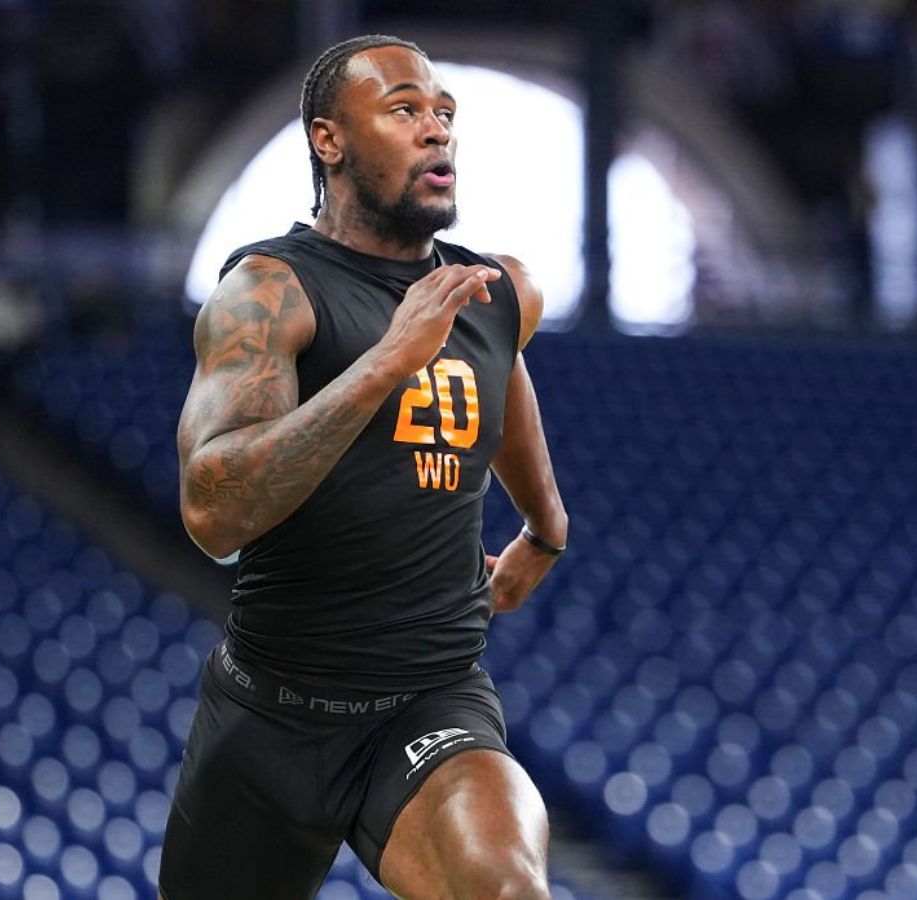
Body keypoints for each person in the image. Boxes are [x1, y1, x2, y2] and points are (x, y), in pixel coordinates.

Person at [160, 34, 567, 900]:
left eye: (445, 113)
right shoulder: (268, 290)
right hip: (273, 713)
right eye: (405, 109)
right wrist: (385, 362)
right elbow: (211, 511)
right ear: (328, 140)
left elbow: (502, 367)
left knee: (508, 892)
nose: (437, 130)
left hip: (430, 703)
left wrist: (546, 525)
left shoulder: (493, 292)